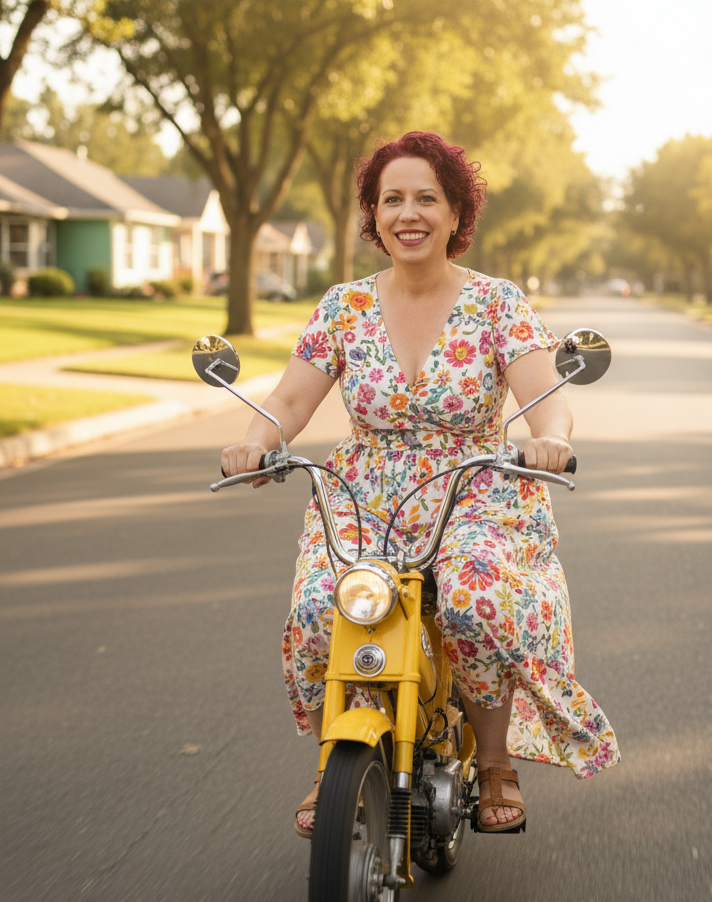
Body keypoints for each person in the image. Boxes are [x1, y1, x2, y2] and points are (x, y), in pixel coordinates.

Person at [222, 131, 620, 836]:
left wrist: (548, 439)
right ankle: (332, 769)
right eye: (391, 199)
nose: (408, 213)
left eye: (426, 198)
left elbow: (541, 392)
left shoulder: (497, 302)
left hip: (478, 485)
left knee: (470, 597)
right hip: (363, 491)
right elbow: (288, 402)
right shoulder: (343, 307)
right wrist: (255, 442)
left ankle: (495, 762)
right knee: (323, 606)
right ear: (372, 216)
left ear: (456, 211)